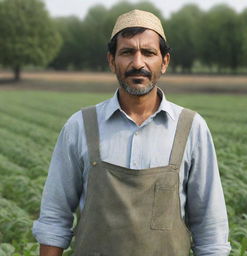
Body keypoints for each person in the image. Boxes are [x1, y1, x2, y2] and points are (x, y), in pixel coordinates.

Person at [33, 9, 231, 256]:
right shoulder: (80, 126)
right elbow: (54, 219)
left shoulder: (191, 128)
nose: (138, 63)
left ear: (165, 61)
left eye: (148, 53)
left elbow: (210, 231)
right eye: (127, 52)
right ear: (112, 61)